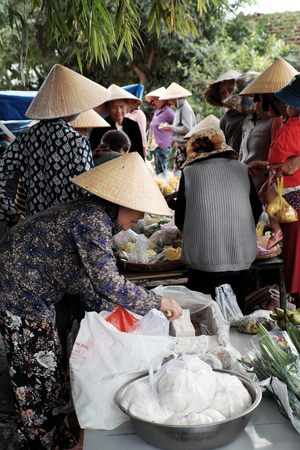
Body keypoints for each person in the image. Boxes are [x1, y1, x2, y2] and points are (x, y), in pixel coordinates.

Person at [0, 152, 182, 450]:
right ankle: (40, 444)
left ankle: (60, 438)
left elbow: (85, 279)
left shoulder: (96, 216)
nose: (142, 217)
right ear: (120, 200)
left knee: (53, 375)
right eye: (138, 208)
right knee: (36, 378)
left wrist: (112, 316)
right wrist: (155, 302)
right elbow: (106, 281)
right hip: (19, 290)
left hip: (36, 289)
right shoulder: (92, 219)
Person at [0, 64, 110, 228]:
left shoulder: (24, 139)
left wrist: (15, 218)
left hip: (33, 231)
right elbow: (86, 194)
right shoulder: (77, 142)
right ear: (72, 109)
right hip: (67, 233)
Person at [175, 126, 261, 312]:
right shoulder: (242, 168)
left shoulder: (189, 173)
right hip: (240, 257)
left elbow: (179, 220)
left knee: (203, 318)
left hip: (201, 260)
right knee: (235, 315)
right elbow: (257, 209)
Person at [264, 74, 300, 249]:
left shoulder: (292, 128)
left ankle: (277, 231)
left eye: (290, 104)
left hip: (291, 180)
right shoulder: (292, 125)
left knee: (269, 197)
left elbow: (279, 157)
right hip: (289, 179)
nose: (286, 106)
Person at [89, 84, 144, 159]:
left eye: (122, 107)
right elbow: (93, 151)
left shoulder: (133, 125)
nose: (118, 111)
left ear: (127, 107)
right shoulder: (100, 126)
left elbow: (139, 151)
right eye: (114, 107)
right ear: (108, 108)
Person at [159, 82, 196, 171]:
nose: (169, 102)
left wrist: (171, 128)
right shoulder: (180, 108)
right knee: (178, 174)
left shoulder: (185, 108)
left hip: (185, 146)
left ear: (175, 98)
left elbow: (187, 128)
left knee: (183, 173)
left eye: (170, 99)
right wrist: (169, 127)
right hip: (181, 145)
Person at [203, 70, 242, 152]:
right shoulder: (225, 120)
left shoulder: (253, 113)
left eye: (230, 89)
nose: (227, 95)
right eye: (223, 92)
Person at [145, 87, 175, 174]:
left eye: (158, 99)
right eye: (154, 100)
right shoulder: (157, 112)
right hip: (155, 146)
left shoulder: (169, 112)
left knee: (161, 170)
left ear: (165, 100)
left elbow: (178, 125)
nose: (156, 102)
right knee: (156, 169)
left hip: (164, 146)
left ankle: (163, 187)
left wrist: (173, 143)